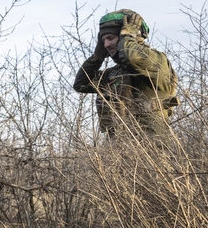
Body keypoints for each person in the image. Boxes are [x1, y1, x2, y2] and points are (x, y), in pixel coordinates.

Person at [73, 9, 179, 138]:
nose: (106, 44)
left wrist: (128, 36)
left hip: (152, 148)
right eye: (103, 40)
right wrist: (97, 57)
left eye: (110, 38)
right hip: (120, 150)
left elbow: (132, 57)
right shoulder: (114, 74)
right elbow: (81, 84)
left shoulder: (157, 61)